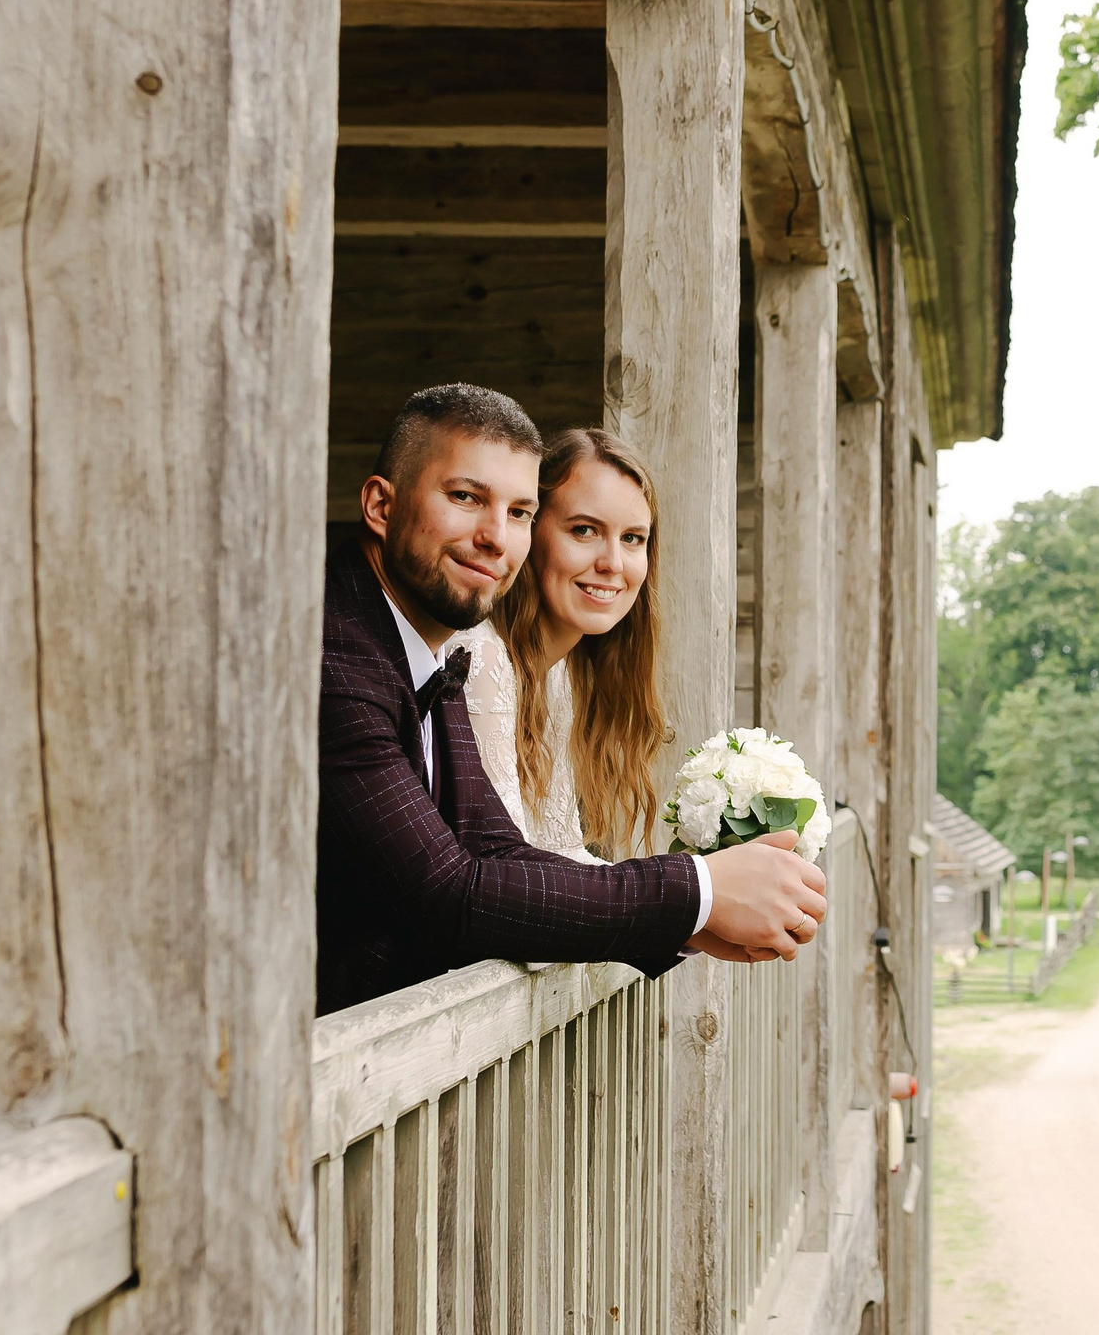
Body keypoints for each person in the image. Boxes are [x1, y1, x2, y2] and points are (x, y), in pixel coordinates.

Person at [316, 384, 822, 1014]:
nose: (495, 538)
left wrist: (696, 923)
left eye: (519, 512)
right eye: (466, 497)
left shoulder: (432, 645)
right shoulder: (334, 657)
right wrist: (701, 889)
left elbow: (494, 850)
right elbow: (448, 892)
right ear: (380, 505)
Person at [451, 428, 664, 866]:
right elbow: (512, 870)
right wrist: (689, 896)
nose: (612, 564)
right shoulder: (481, 656)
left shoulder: (558, 675)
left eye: (632, 538)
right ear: (530, 533)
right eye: (584, 530)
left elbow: (562, 852)